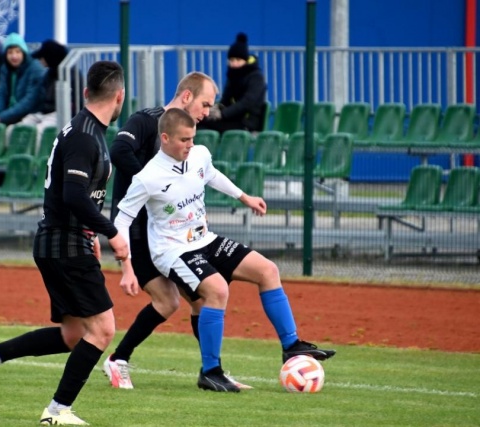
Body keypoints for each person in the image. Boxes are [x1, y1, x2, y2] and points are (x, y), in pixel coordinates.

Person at [114, 108, 336, 392]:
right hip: (172, 251)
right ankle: (211, 372)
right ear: (165, 138)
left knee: (268, 270)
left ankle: (291, 345)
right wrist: (127, 266)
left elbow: (212, 175)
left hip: (204, 239)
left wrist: (245, 197)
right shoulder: (148, 177)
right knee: (217, 290)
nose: (190, 145)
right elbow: (121, 220)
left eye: (193, 138)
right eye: (184, 140)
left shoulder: (199, 154)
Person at [0, 60, 129, 426]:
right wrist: (111, 231)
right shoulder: (85, 136)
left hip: (64, 241)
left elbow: (80, 195)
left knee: (73, 335)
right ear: (119, 96)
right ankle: (56, 412)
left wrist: (91, 232)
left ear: (86, 92)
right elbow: (73, 195)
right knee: (103, 330)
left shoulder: (85, 129)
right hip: (64, 244)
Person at [102, 72, 251, 390]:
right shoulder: (146, 120)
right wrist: (153, 184)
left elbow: (208, 174)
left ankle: (212, 371)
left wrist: (242, 196)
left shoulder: (188, 140)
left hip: (169, 235)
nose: (207, 112)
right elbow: (118, 150)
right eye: (205, 104)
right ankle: (118, 360)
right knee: (168, 301)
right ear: (186, 97)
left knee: (201, 300)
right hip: (139, 231)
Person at [198, 33, 266, 134]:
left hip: (247, 123)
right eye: (232, 60)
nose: (234, 63)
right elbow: (226, 99)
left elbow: (247, 102)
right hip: (232, 119)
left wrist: (223, 114)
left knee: (204, 123)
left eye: (238, 60)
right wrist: (216, 107)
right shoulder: (233, 76)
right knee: (199, 120)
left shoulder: (256, 77)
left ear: (245, 61)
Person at [16, 39, 69, 154]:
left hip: (60, 114)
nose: (40, 60)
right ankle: (15, 156)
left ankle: (35, 159)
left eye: (42, 57)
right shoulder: (48, 74)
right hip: (43, 113)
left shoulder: (70, 74)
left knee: (40, 131)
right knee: (19, 127)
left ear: (50, 58)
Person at [0, 32, 44, 128]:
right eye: (10, 52)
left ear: (24, 52)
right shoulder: (5, 69)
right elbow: (1, 95)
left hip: (32, 114)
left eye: (18, 52)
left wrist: (1, 117)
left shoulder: (35, 68)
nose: (14, 56)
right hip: (10, 114)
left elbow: (29, 102)